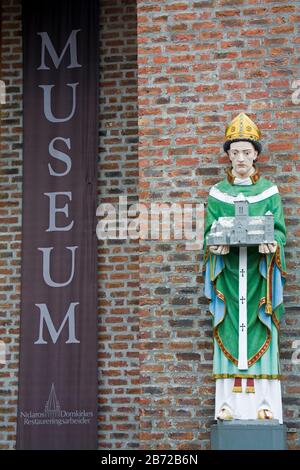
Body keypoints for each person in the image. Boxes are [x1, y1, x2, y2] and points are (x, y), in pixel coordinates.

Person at [203, 113, 286, 422]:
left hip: (257, 278)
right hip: (228, 279)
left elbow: (279, 231)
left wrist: (273, 244)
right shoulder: (217, 194)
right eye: (234, 152)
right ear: (227, 154)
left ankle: (265, 404)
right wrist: (214, 246)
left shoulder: (269, 192)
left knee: (262, 326)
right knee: (228, 331)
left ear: (256, 154)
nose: (240, 158)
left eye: (246, 152)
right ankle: (227, 405)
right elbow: (209, 232)